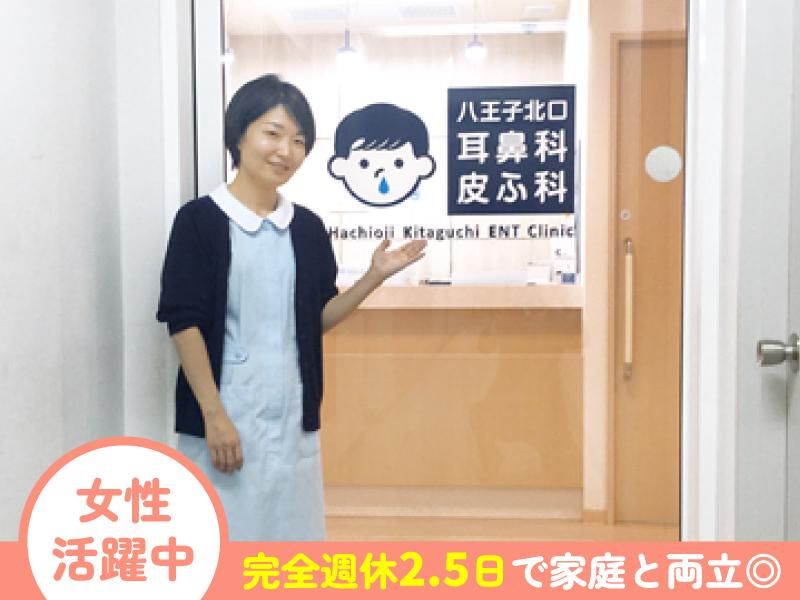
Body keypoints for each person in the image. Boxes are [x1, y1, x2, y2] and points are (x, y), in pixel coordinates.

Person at [156, 74, 426, 540]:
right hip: (226, 413)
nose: (286, 151)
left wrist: (373, 277)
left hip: (293, 418)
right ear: (239, 135)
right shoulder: (199, 221)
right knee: (221, 540)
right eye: (273, 133)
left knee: (292, 545)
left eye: (299, 141)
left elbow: (315, 320)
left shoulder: (306, 229)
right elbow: (183, 323)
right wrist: (214, 416)